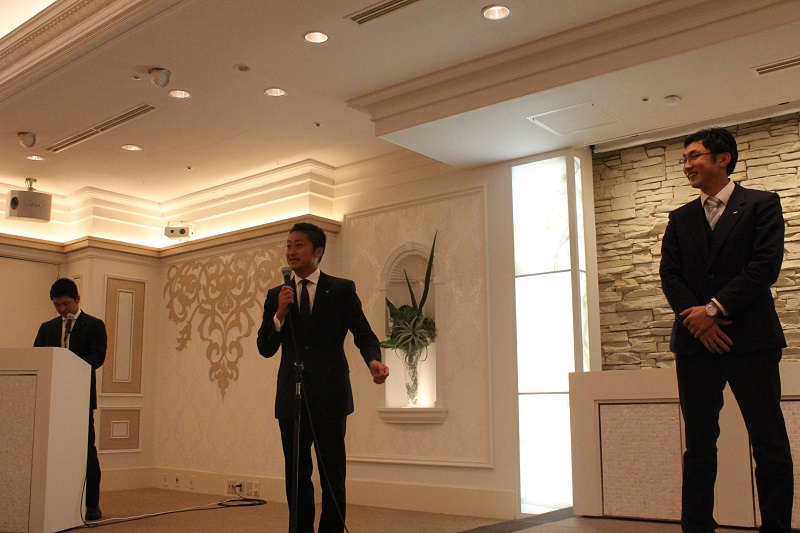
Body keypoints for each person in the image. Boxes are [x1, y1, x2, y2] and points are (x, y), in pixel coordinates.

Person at [660, 127, 793, 533]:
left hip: (750, 340)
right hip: (695, 345)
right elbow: (670, 275)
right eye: (684, 159)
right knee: (698, 445)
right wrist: (698, 322)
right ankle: (697, 526)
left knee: (768, 442)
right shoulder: (680, 218)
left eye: (695, 156)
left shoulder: (762, 205)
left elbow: (764, 266)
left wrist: (714, 310)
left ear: (724, 159)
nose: (687, 165)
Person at [257, 222, 389, 533]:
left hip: (330, 394)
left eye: (299, 245)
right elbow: (265, 348)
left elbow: (363, 333)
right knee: (296, 475)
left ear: (318, 251)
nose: (291, 251)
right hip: (291, 397)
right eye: (289, 245)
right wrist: (279, 313)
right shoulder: (278, 295)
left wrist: (373, 360)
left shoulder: (341, 289)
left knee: (332, 473)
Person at [34, 277, 107, 522]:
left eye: (66, 303)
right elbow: (38, 358)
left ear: (77, 299)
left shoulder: (94, 325)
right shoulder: (47, 328)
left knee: (86, 450)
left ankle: (92, 503)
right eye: (57, 305)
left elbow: (97, 357)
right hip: (51, 398)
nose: (62, 309)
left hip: (80, 399)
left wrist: (68, 368)